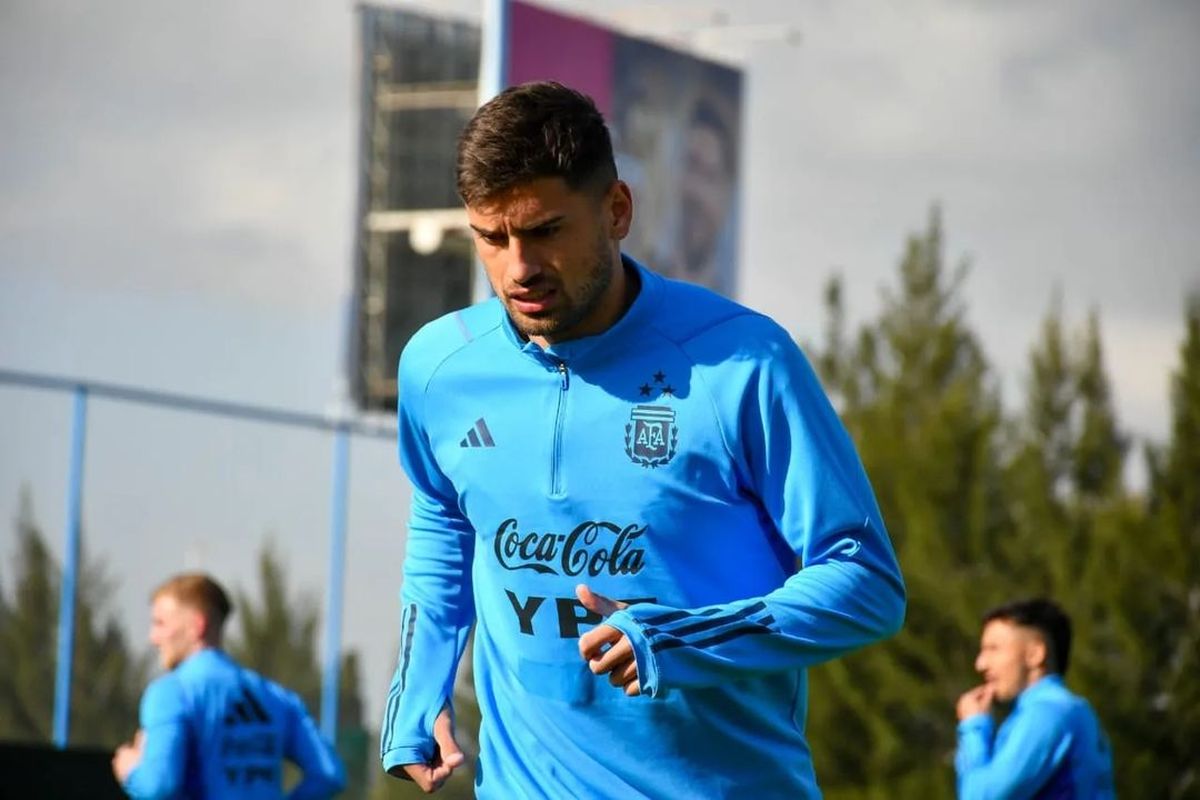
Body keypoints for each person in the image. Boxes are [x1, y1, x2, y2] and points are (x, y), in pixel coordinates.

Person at [378, 80, 906, 798]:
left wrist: (683, 639)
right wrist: (419, 688)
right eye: (491, 238)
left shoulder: (744, 364)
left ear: (617, 210)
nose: (517, 268)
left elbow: (866, 583)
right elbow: (443, 513)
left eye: (544, 231)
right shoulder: (440, 369)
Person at [112, 573, 346, 799]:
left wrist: (131, 769)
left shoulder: (171, 693)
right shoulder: (275, 697)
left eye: (160, 623)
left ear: (197, 626)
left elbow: (158, 786)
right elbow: (329, 774)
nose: (153, 637)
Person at [956, 598, 1115, 799]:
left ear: (1035, 654)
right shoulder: (1072, 709)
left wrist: (974, 726)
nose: (980, 664)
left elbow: (980, 797)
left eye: (993, 649)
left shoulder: (1047, 713)